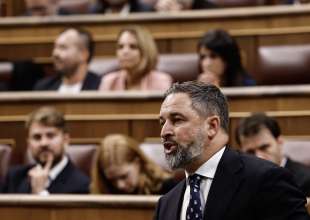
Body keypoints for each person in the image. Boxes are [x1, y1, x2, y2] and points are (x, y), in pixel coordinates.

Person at [155, 81, 309, 220]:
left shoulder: (266, 179)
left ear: (212, 126)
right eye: (162, 123)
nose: (164, 132)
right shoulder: (166, 204)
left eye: (177, 120)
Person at [2, 106, 89, 194]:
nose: (43, 143)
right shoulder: (14, 178)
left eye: (50, 136)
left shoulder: (82, 185)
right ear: (28, 143)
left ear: (65, 140)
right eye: (37, 137)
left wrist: (40, 193)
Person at [235, 112, 310, 196]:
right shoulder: (236, 182)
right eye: (250, 152)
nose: (259, 157)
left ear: (279, 142)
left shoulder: (306, 181)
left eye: (264, 147)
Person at [90, 134, 177, 194]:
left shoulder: (167, 188)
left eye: (124, 176)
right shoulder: (102, 189)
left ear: (137, 163)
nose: (120, 185)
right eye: (112, 180)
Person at [99, 26, 172, 91]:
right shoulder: (109, 81)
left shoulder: (161, 81)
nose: (125, 51)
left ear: (146, 51)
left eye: (133, 47)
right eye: (120, 47)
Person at [34, 28, 101, 93]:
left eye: (63, 47)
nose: (55, 53)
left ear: (83, 54)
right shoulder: (44, 87)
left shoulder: (100, 87)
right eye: (55, 47)